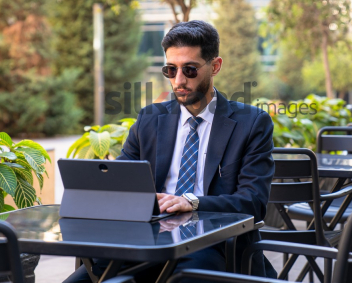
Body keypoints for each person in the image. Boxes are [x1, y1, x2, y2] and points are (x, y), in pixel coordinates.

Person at [64, 20, 276, 282]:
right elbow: (121, 182)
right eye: (170, 69)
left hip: (214, 246)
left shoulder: (251, 122)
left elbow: (253, 202)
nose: (179, 80)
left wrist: (192, 201)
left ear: (215, 66)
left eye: (189, 69)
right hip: (146, 243)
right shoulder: (149, 119)